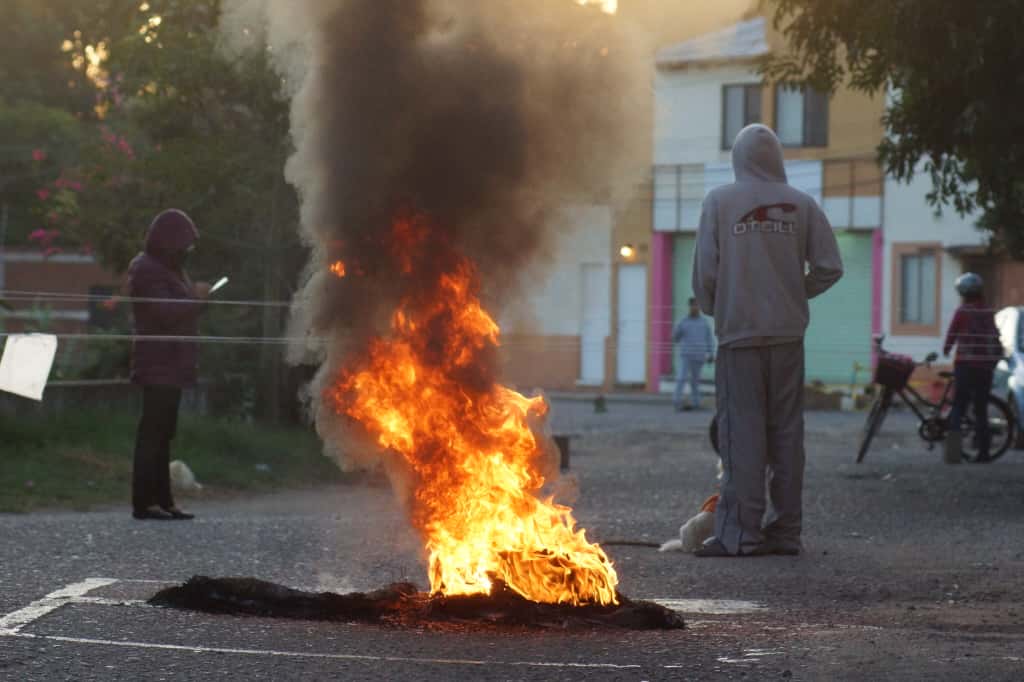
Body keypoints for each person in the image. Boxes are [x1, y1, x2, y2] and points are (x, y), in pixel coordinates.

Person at [691, 124, 843, 557]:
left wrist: (718, 306)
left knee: (742, 434)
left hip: (739, 336)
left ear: (738, 158)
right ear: (777, 157)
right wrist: (794, 292)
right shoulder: (802, 204)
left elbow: (705, 273)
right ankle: (786, 532)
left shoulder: (719, 201)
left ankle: (741, 535)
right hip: (788, 337)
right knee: (787, 436)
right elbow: (830, 267)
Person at [128, 209, 210, 520]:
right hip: (158, 362)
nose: (187, 251)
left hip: (172, 363)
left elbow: (180, 309)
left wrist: (199, 300)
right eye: (184, 245)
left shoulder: (169, 269)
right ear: (169, 242)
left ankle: (164, 500)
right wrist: (196, 299)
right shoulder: (147, 270)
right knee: (152, 434)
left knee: (164, 434)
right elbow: (164, 312)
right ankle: (144, 502)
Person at [943, 273, 1003, 464]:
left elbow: (951, 335)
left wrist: (946, 349)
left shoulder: (962, 311)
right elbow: (994, 336)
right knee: (981, 410)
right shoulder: (988, 311)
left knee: (959, 406)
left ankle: (953, 454)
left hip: (965, 365)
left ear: (962, 293)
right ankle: (984, 453)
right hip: (985, 367)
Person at [672, 297, 714, 411]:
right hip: (686, 355)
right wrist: (676, 333)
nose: (695, 308)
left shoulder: (704, 323)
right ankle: (677, 401)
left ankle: (696, 403)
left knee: (695, 381)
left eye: (697, 305)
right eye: (693, 305)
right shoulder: (683, 322)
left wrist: (711, 353)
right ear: (689, 306)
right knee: (681, 378)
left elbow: (709, 339)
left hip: (699, 356)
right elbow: (675, 338)